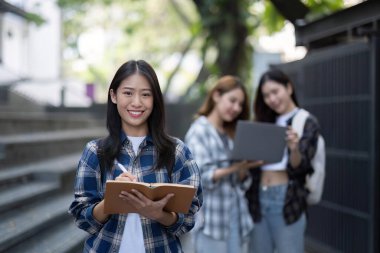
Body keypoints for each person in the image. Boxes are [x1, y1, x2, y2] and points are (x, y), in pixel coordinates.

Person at [68, 59, 203, 253]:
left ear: (155, 99)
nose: (137, 102)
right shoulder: (95, 152)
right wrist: (112, 200)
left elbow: (188, 219)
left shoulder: (178, 152)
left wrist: (159, 214)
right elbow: (82, 219)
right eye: (128, 93)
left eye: (146, 94)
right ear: (114, 96)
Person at [184, 75, 263, 253]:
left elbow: (240, 181)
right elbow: (200, 178)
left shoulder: (232, 133)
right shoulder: (199, 131)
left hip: (238, 217)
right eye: (232, 100)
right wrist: (237, 167)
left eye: (240, 104)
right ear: (216, 95)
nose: (236, 108)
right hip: (212, 220)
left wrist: (245, 168)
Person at [246, 69, 320, 253]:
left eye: (275, 91)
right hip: (258, 198)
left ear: (288, 87)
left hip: (287, 200)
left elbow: (301, 167)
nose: (271, 99)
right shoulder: (264, 120)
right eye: (266, 95)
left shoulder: (306, 121)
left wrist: (294, 148)